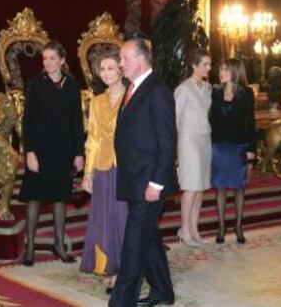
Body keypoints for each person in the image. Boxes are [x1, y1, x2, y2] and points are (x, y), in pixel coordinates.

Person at [108, 35, 177, 307]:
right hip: (134, 179)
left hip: (150, 181)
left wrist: (157, 184)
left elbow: (166, 140)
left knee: (133, 244)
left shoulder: (157, 90)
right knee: (147, 239)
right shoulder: (134, 87)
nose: (120, 63)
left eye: (124, 58)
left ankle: (121, 302)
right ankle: (163, 292)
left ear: (139, 59)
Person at [19, 40, 84, 266]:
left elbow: (77, 121)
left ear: (62, 60)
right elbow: (27, 122)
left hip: (64, 151)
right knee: (34, 198)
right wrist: (30, 152)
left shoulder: (73, 85)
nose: (47, 62)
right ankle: (30, 248)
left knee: (60, 198)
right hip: (39, 149)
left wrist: (79, 153)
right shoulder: (36, 84)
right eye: (44, 58)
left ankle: (58, 244)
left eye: (52, 58)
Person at [79, 49, 128, 294]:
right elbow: (93, 140)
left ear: (121, 69)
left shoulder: (132, 97)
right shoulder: (96, 101)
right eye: (103, 69)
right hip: (103, 167)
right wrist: (88, 174)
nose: (107, 73)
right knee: (104, 219)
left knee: (122, 218)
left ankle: (124, 269)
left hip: (126, 168)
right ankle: (109, 268)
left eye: (111, 68)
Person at [210, 59, 256, 244]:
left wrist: (252, 150)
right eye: (220, 68)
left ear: (235, 72)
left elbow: (250, 123)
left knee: (239, 189)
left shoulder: (246, 94)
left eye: (225, 69)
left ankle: (238, 226)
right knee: (220, 189)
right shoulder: (215, 93)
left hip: (238, 147)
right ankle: (221, 226)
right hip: (218, 147)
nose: (221, 72)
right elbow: (211, 121)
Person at [174, 48, 212, 247]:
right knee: (190, 186)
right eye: (205, 64)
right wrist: (176, 150)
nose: (209, 68)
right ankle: (184, 228)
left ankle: (194, 227)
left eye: (209, 64)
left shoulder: (208, 88)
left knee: (200, 188)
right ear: (194, 66)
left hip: (205, 139)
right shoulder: (183, 89)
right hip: (187, 140)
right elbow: (175, 120)